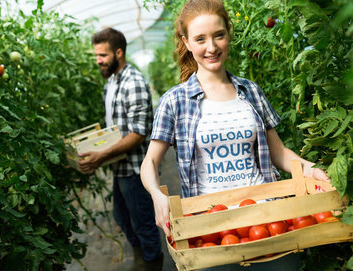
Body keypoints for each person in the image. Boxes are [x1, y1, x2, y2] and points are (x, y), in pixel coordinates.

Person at [140, 0, 329, 270]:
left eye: (219, 35)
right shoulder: (174, 101)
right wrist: (157, 196)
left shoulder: (251, 91)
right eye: (200, 39)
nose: (212, 47)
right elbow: (150, 163)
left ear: (228, 32)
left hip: (269, 219)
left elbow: (278, 153)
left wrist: (310, 170)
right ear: (187, 42)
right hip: (212, 230)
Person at [79, 27, 163, 268]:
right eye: (96, 55)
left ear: (118, 52)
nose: (98, 61)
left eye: (102, 55)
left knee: (144, 223)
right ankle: (142, 257)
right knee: (122, 218)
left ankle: (151, 262)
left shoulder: (133, 82)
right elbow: (114, 128)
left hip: (136, 170)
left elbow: (138, 134)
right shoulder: (112, 83)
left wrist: (101, 155)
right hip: (119, 166)